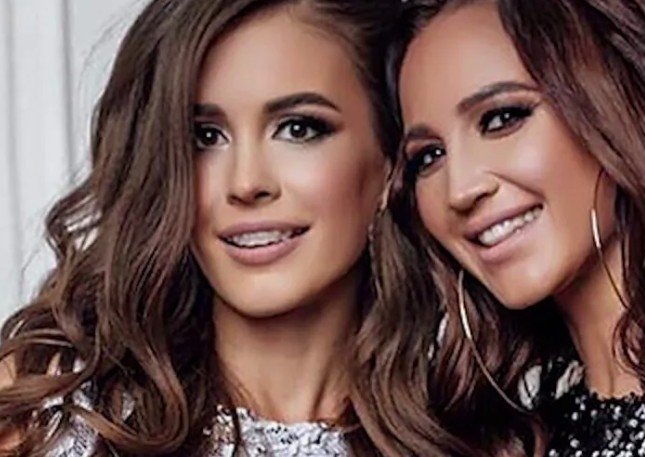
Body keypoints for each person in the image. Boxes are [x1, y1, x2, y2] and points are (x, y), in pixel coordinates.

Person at [0, 1, 450, 455]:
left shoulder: (461, 433)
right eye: (205, 136)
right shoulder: (46, 412)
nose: (246, 183)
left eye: (298, 129)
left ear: (390, 160)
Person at [380, 0, 645, 455]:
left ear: (626, 105)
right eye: (428, 156)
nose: (460, 190)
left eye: (502, 118)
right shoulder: (506, 440)